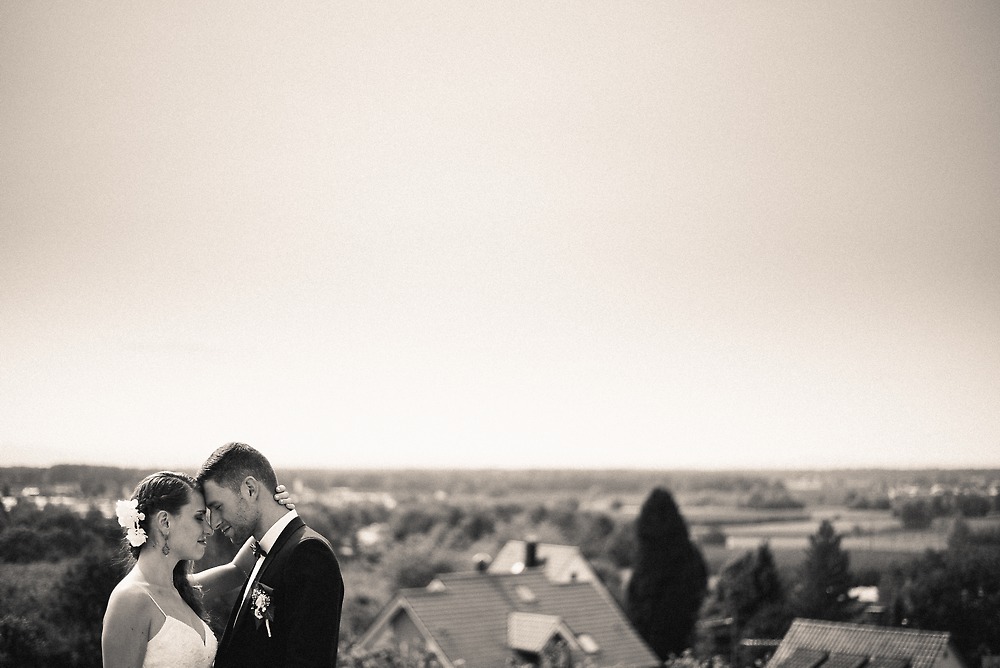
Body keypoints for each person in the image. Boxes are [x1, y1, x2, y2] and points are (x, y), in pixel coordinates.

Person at [102, 471, 295, 668]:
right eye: (199, 517)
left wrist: (270, 513)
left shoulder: (181, 588)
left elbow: (238, 570)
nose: (209, 529)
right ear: (165, 522)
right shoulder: (131, 599)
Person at [198, 442, 344, 667]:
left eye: (218, 507)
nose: (214, 523)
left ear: (250, 489)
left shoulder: (309, 554)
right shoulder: (264, 548)